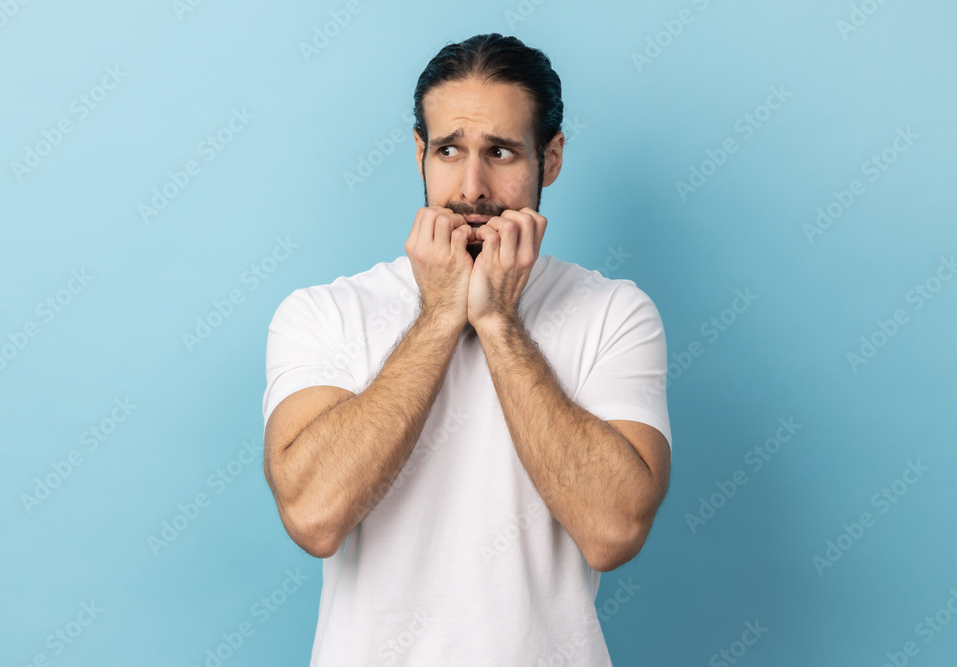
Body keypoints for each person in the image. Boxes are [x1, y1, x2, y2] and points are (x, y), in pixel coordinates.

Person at [262, 32, 672, 666]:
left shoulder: (614, 313)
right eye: (449, 150)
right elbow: (315, 517)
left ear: (551, 158)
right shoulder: (324, 313)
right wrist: (438, 317)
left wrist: (500, 324)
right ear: (421, 155)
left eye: (502, 152)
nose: (472, 187)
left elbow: (613, 532)